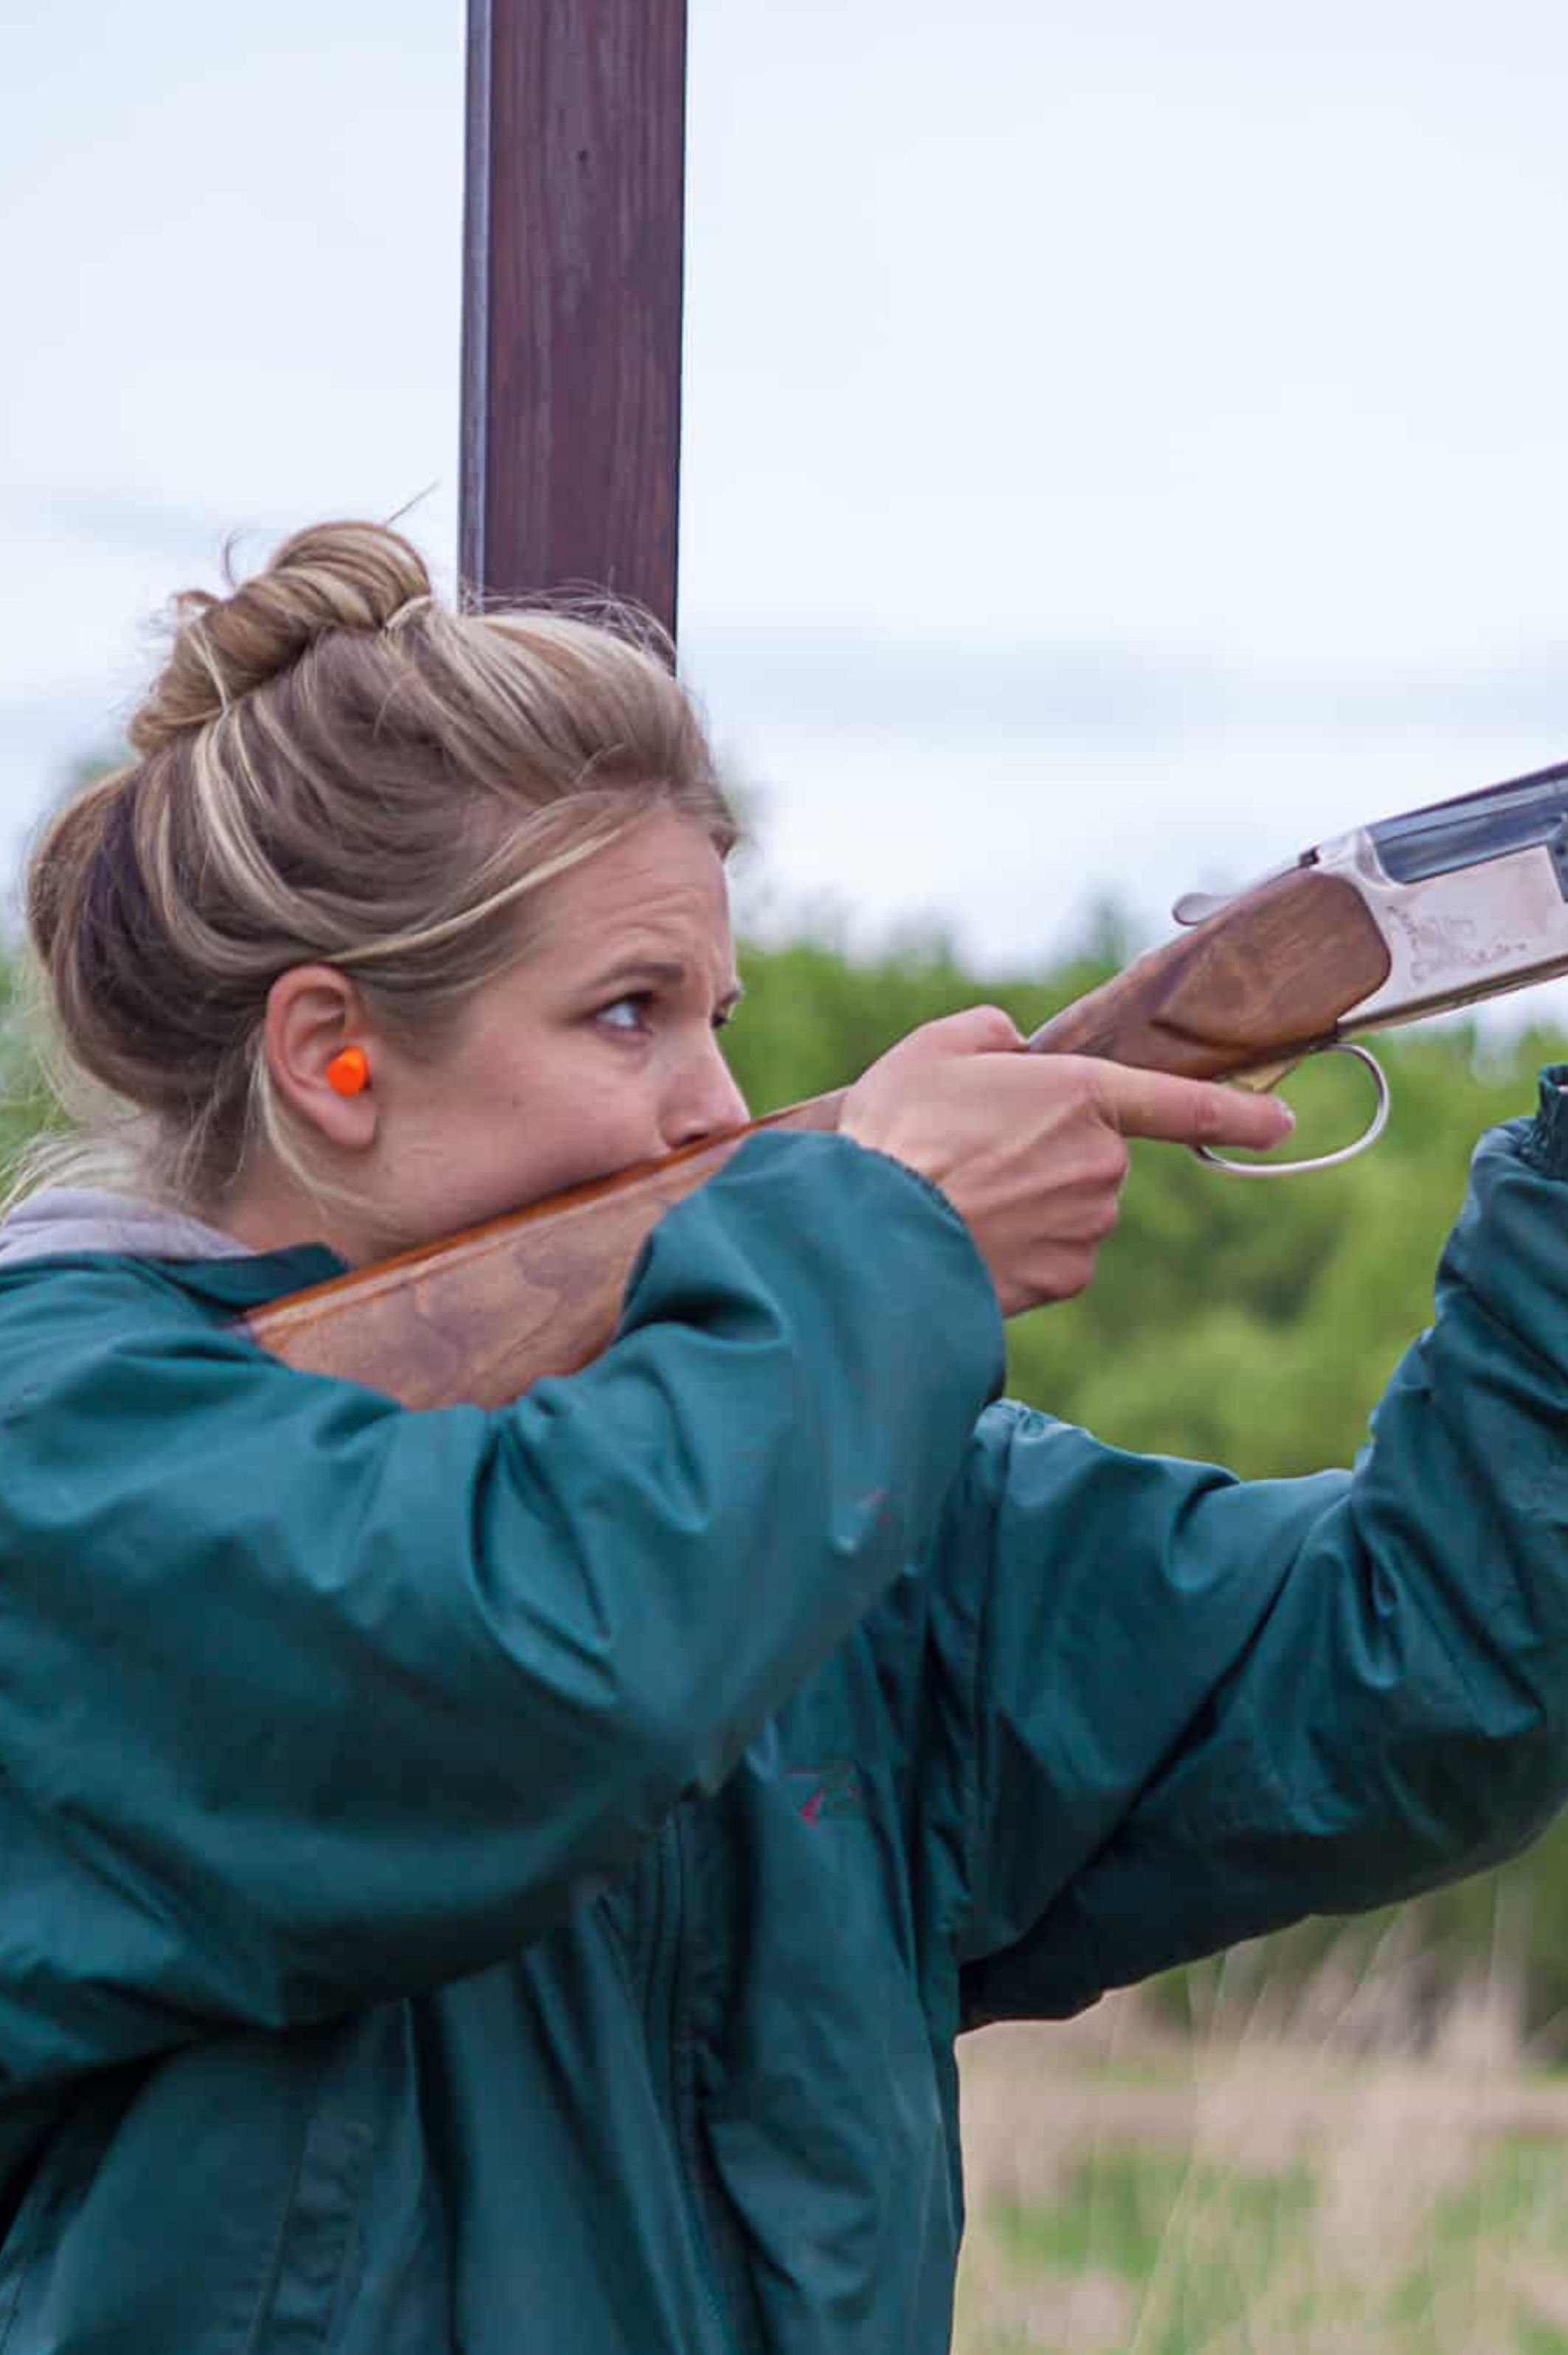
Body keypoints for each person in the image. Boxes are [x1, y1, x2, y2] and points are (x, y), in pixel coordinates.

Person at [0, 519, 1562, 2355]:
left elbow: (1430, 1666)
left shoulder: (799, 1475)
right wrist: (884, 1241)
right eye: (629, 1014)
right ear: (332, 1054)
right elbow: (549, 1666)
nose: (725, 1104)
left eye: (715, 1014)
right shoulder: (66, 1460)